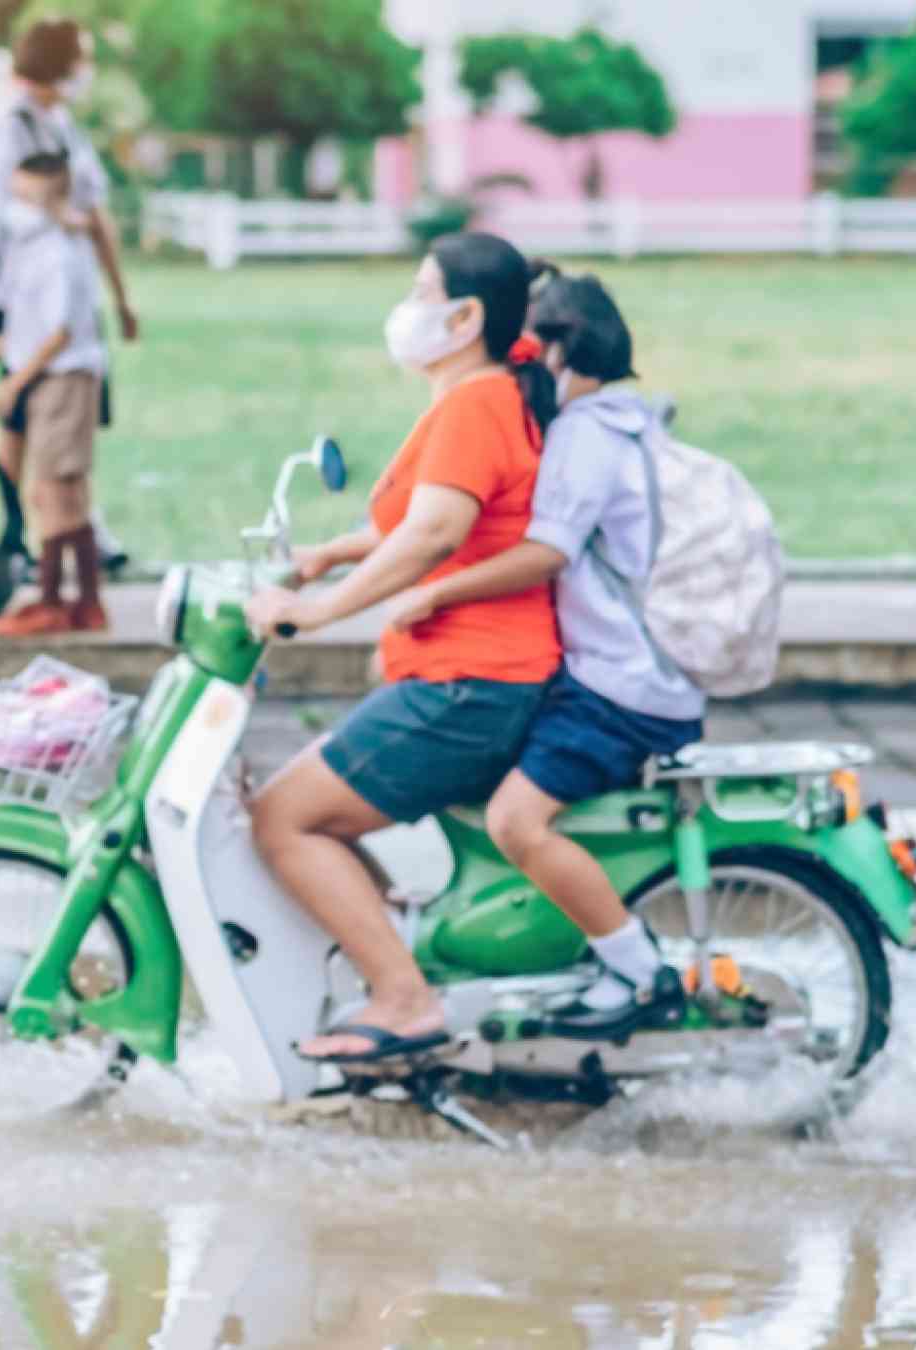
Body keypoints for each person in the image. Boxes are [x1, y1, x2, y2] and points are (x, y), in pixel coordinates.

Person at [243, 234, 563, 1064]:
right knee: (312, 809)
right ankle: (401, 971)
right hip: (468, 678)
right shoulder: (481, 397)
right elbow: (421, 522)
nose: (408, 309)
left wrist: (315, 612)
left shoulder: (475, 402)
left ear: (465, 317)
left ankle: (404, 999)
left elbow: (433, 534)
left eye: (422, 292)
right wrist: (327, 553)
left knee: (283, 817)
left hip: (471, 684)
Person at [389, 268, 707, 1041]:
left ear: (562, 353)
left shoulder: (588, 435)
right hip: (629, 678)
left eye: (529, 351)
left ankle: (639, 972)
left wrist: (437, 594)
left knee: (514, 822)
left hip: (618, 693)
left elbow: (547, 552)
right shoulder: (628, 419)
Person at [0, 17, 137, 570]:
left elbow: (92, 213)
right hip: (30, 298)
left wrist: (120, 296)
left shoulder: (59, 123)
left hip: (65, 296)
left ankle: (69, 532)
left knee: (62, 431)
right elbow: (2, 218)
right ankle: (21, 533)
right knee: (24, 419)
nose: (85, 71)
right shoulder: (13, 126)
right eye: (81, 59)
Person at [0, 151, 108, 635]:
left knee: (51, 491)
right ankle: (86, 602)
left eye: (28, 197)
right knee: (65, 492)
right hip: (46, 376)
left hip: (62, 378)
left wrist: (13, 384)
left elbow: (60, 332)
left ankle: (51, 601)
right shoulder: (31, 251)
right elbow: (26, 324)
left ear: (56, 196)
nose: (17, 207)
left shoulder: (61, 252)